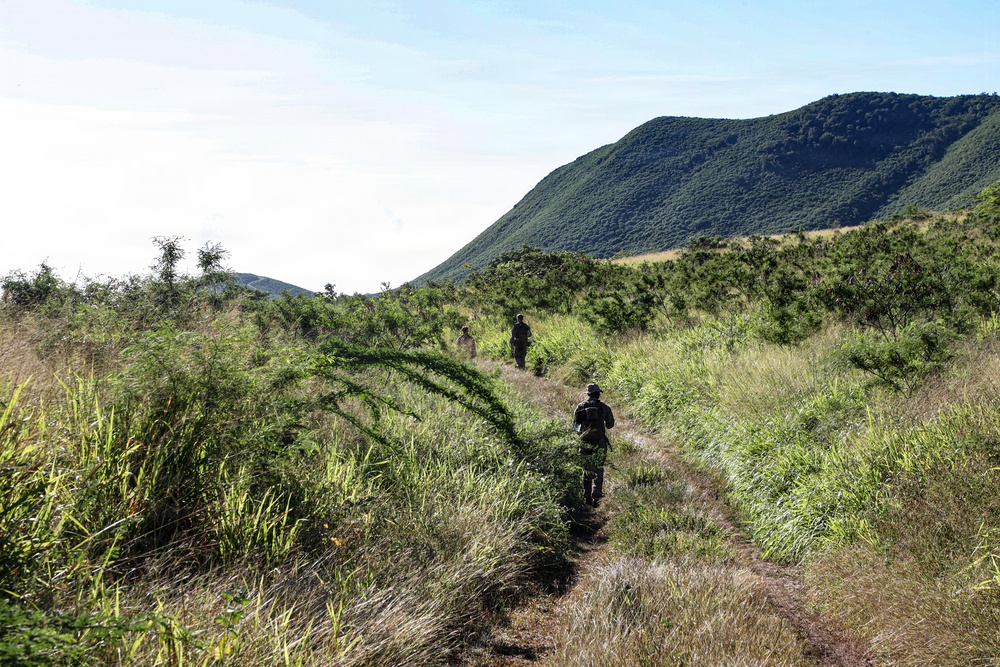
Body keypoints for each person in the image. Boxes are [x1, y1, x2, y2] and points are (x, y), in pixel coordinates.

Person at [573, 383, 615, 506]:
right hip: (599, 441)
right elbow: (610, 425)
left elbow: (575, 426)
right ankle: (597, 493)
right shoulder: (604, 407)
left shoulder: (580, 407)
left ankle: (586, 496)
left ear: (588, 394)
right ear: (598, 394)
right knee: (599, 467)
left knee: (586, 468)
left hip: (585, 442)